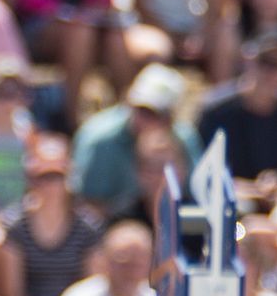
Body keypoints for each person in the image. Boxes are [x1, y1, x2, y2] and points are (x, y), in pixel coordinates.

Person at [0, 135, 104, 296]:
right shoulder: (15, 227)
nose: (50, 185)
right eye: (42, 177)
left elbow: (92, 286)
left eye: (57, 177)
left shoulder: (88, 228)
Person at [70, 63, 199, 218]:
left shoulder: (185, 138)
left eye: (154, 113)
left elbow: (198, 192)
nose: (143, 118)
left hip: (171, 222)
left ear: (170, 118)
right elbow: (82, 203)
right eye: (139, 109)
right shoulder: (98, 140)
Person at [197, 33, 277, 186]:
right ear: (248, 61)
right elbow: (204, 172)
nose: (273, 73)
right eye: (265, 62)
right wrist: (251, 190)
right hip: (229, 197)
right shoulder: (215, 111)